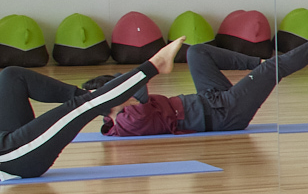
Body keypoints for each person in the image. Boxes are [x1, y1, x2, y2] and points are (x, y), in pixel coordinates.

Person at [101, 12, 308, 139]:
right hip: (225, 114)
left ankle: (258, 62)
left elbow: (128, 88)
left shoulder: (119, 116)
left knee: (197, 52)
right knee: (273, 69)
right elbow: (139, 86)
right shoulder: (130, 121)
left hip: (210, 99)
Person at [1, 38, 185, 179]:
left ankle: (105, 103)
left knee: (12, 77)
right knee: (83, 106)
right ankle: (155, 65)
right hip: (12, 158)